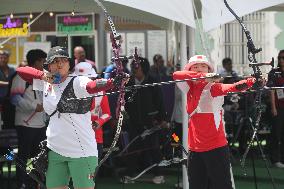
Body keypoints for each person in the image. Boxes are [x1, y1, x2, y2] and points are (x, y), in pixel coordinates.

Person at [16, 46, 126, 189]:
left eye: (63, 60)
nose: (60, 64)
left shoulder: (78, 81)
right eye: (55, 61)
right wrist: (45, 76)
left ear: (69, 64)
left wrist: (112, 82)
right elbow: (21, 71)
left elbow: (92, 86)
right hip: (55, 149)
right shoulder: (46, 83)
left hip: (82, 152)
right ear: (49, 65)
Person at [173, 55, 258, 189]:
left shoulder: (214, 87)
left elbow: (233, 87)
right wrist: (202, 76)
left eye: (203, 66)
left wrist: (252, 81)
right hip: (194, 149)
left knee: (222, 186)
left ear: (209, 70)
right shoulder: (188, 87)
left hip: (216, 148)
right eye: (195, 67)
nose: (199, 69)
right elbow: (177, 74)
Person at [122, 57, 167, 184]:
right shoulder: (129, 82)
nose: (134, 69)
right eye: (133, 67)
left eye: (137, 67)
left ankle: (159, 174)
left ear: (144, 68)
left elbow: (160, 101)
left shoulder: (152, 81)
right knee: (132, 148)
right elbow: (124, 102)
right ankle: (129, 175)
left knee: (154, 148)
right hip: (134, 121)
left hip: (151, 121)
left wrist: (162, 119)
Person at [10, 49, 47, 188]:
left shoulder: (42, 77)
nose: (45, 64)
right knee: (23, 156)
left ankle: (35, 183)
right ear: (36, 61)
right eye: (43, 61)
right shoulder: (20, 77)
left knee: (39, 157)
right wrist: (33, 106)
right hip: (25, 125)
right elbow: (14, 99)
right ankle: (21, 183)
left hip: (40, 124)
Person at [74, 62, 111, 160]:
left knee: (91, 170)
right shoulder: (70, 92)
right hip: (75, 138)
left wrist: (99, 121)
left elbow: (107, 113)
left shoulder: (101, 92)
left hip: (95, 137)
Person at [268, 49, 284, 168]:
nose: (281, 60)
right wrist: (273, 107)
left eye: (283, 58)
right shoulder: (274, 72)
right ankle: (275, 159)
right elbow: (272, 91)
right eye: (280, 58)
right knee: (276, 134)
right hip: (278, 108)